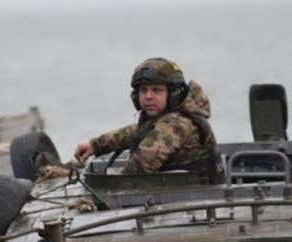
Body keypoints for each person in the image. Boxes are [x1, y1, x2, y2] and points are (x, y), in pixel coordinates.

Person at [74, 57, 217, 174]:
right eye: (143, 90)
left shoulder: (176, 125)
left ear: (173, 94)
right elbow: (134, 132)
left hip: (182, 195)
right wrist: (95, 145)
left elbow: (139, 168)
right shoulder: (165, 119)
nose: (148, 96)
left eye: (156, 90)